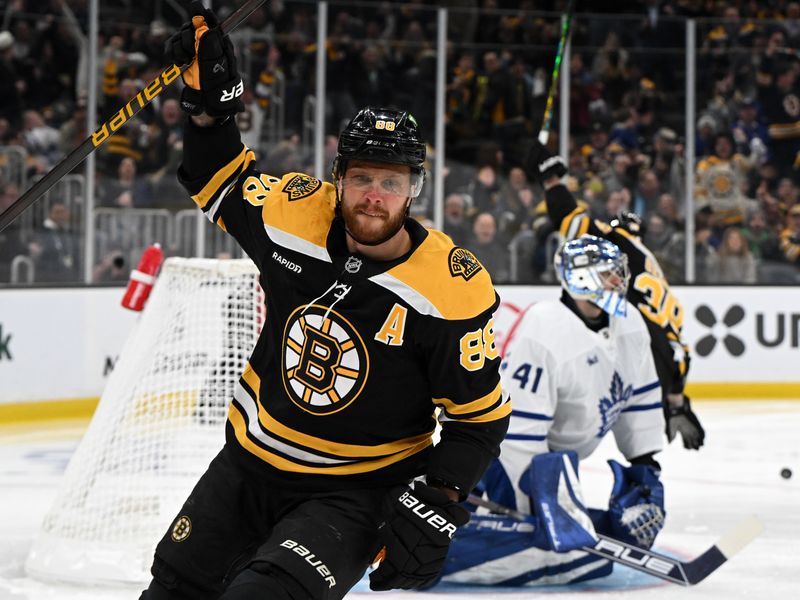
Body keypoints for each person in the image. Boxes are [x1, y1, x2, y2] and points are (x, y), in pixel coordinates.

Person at [140, 5, 510, 599]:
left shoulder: (448, 288)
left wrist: (439, 497)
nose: (374, 197)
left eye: (391, 183)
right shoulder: (294, 215)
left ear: (414, 190)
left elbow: (479, 421)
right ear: (338, 177)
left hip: (354, 492)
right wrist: (209, 108)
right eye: (362, 178)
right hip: (246, 468)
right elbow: (217, 177)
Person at [440, 235, 666, 586]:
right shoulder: (545, 327)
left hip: (554, 463)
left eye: (618, 272)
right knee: (571, 555)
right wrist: (545, 504)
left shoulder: (630, 322)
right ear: (580, 278)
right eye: (608, 273)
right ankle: (435, 551)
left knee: (601, 539)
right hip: (499, 461)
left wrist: (645, 467)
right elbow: (515, 435)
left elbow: (641, 397)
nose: (619, 281)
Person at [524, 140, 705, 451]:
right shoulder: (653, 268)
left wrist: (552, 179)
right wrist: (676, 401)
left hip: (637, 345)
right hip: (665, 359)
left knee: (570, 409)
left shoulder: (620, 243)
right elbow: (678, 349)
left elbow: (571, 220)